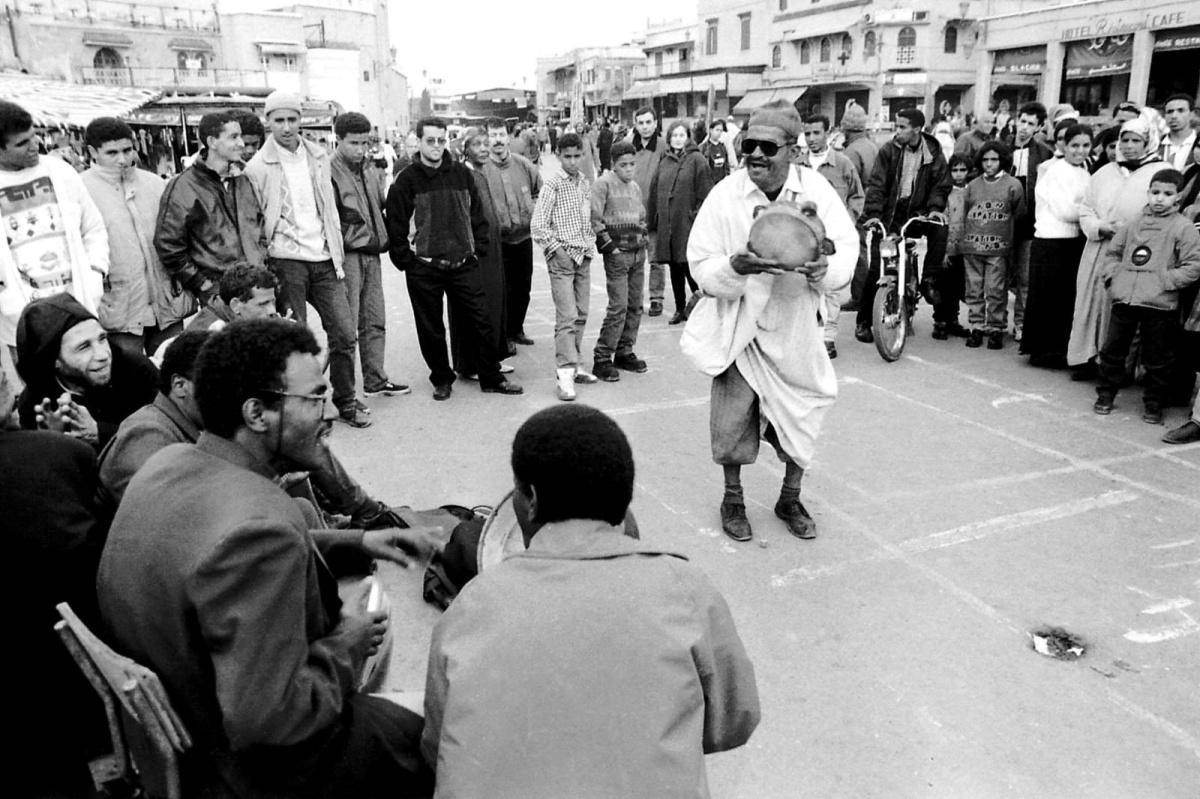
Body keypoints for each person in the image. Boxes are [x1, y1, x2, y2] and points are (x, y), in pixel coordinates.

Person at [96, 319, 434, 798]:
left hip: (190, 726)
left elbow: (210, 552)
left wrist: (356, 541)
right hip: (254, 771)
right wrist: (349, 642)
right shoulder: (259, 531)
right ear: (257, 413)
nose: (330, 411)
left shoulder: (169, 464)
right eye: (315, 397)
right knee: (445, 737)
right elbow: (271, 719)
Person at [422, 404, 760, 797]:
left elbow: (437, 747)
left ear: (529, 498)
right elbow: (736, 719)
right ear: (624, 499)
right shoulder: (685, 590)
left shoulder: (472, 605)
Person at [683, 100, 858, 542]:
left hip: (797, 322)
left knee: (806, 407)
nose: (755, 155)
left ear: (793, 150)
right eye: (748, 145)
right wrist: (735, 268)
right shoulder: (726, 195)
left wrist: (825, 272)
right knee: (732, 419)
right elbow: (700, 262)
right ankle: (734, 499)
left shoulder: (816, 191)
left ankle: (789, 496)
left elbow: (846, 250)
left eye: (767, 146)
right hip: (740, 323)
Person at [245, 91, 370, 428]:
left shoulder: (318, 157)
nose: (286, 127)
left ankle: (346, 401)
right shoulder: (256, 167)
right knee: (295, 342)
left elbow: (328, 208)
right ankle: (304, 410)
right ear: (267, 122)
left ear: (301, 120)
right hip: (286, 263)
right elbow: (255, 220)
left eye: (292, 119)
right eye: (279, 120)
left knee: (344, 334)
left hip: (325, 258)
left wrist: (336, 250)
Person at [386, 116, 522, 401]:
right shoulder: (406, 181)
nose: (436, 146)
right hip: (425, 268)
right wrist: (407, 262)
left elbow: (478, 217)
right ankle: (442, 379)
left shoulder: (462, 174)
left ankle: (490, 376)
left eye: (440, 140)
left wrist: (478, 250)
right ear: (420, 141)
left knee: (481, 321)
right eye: (430, 140)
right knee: (431, 328)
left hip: (463, 265)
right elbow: (396, 225)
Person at [0, 100, 108, 368]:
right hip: (22, 320)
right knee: (41, 395)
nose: (35, 144)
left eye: (34, 135)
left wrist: (96, 275)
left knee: (90, 381)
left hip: (78, 307)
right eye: (22, 143)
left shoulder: (60, 172)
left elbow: (93, 228)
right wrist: (8, 303)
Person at [81, 117, 192, 363]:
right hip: (118, 305)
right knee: (126, 378)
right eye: (112, 152)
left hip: (166, 300)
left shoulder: (154, 184)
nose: (122, 159)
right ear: (92, 152)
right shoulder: (81, 190)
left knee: (174, 366)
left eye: (127, 150)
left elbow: (177, 236)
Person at [1093, 169, 1200, 423]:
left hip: (1159, 304)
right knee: (1113, 351)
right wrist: (1114, 279)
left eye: (1167, 194)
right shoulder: (1133, 224)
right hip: (1125, 299)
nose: (1159, 199)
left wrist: (1165, 281)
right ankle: (1106, 394)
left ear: (1178, 197)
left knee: (1158, 358)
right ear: (1148, 193)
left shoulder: (1183, 228)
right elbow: (1113, 254)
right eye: (1155, 192)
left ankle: (1154, 404)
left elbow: (1193, 265)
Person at [1068, 114, 1166, 376]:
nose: (1129, 146)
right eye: (1125, 140)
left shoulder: (1159, 173)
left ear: (1148, 142)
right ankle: (1087, 357)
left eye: (1136, 140)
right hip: (1099, 248)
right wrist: (1100, 226)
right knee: (1091, 303)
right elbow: (1086, 208)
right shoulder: (1105, 172)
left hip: (1134, 253)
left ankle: (1116, 366)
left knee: (1122, 310)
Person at [858, 108, 955, 343]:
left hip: (918, 213)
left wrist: (934, 209)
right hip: (890, 215)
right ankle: (863, 322)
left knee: (940, 226)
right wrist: (873, 215)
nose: (897, 131)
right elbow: (877, 185)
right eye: (897, 126)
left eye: (902, 127)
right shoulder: (888, 150)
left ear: (917, 129)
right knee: (877, 269)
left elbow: (941, 184)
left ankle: (929, 278)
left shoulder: (932, 151)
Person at [331, 111, 410, 398]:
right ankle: (346, 392)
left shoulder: (369, 169)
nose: (361, 149)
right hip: (347, 256)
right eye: (354, 143)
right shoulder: (328, 171)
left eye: (365, 143)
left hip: (373, 253)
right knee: (346, 327)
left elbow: (380, 205)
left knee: (375, 319)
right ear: (337, 139)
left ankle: (375, 380)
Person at [15, 293, 157, 450]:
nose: (103, 355)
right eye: (84, 347)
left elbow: (165, 437)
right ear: (54, 361)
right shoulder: (38, 403)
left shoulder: (136, 371)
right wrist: (52, 442)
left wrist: (100, 433)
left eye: (102, 339)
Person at [154, 111, 267, 307]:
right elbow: (168, 246)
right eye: (234, 137)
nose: (241, 143)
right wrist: (203, 285)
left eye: (240, 136)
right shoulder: (183, 187)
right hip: (220, 294)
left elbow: (260, 226)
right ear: (212, 141)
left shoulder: (244, 178)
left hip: (257, 287)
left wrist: (265, 267)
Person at [1021, 124, 1093, 368]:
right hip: (1052, 240)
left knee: (1064, 298)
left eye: (1085, 146)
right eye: (1075, 145)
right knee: (1047, 297)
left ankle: (1059, 348)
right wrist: (1091, 213)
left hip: (1073, 241)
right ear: (1064, 145)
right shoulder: (1055, 170)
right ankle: (1042, 351)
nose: (1080, 151)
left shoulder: (1085, 170)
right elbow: (1066, 210)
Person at [532, 132, 597, 401]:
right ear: (558, 156)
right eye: (567, 157)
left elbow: (585, 217)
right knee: (567, 316)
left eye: (577, 156)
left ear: (583, 155)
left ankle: (576, 361)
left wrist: (589, 243)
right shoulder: (552, 185)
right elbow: (537, 225)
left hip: (583, 254)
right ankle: (565, 374)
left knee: (581, 312)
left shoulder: (583, 182)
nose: (572, 161)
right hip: (562, 258)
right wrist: (556, 251)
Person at [799, 113, 864, 358]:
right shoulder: (798, 165)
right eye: (807, 134)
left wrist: (846, 225)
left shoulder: (843, 164)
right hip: (805, 235)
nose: (812, 139)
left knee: (832, 287)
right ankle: (809, 334)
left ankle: (828, 337)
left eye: (817, 133)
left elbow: (857, 196)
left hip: (833, 237)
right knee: (808, 284)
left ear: (828, 133)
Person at [451, 127, 509, 380]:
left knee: (494, 303)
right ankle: (472, 364)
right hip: (475, 251)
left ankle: (491, 359)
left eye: (486, 143)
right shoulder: (463, 174)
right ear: (466, 149)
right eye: (477, 144)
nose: (484, 148)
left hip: (492, 249)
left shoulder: (484, 172)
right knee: (476, 307)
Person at [481, 117, 542, 351]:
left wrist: (533, 210)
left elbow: (540, 192)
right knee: (501, 291)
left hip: (523, 238)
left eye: (500, 134)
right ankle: (503, 335)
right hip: (497, 242)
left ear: (508, 136)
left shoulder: (524, 164)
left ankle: (517, 329)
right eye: (492, 135)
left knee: (522, 287)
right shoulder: (481, 169)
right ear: (486, 138)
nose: (497, 140)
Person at [591, 140, 648, 382]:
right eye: (623, 165)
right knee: (619, 306)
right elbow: (594, 218)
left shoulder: (635, 187)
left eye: (632, 164)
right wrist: (610, 247)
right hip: (617, 256)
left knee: (636, 305)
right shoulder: (603, 184)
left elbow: (642, 216)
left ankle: (625, 351)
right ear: (613, 165)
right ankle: (602, 357)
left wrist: (643, 238)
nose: (629, 169)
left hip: (637, 254)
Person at [959, 141, 1026, 350]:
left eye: (994, 159)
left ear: (1002, 161)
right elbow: (965, 212)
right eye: (985, 159)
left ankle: (996, 327)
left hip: (998, 246)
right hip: (973, 246)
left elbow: (1019, 213)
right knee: (974, 288)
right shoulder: (972, 185)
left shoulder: (1013, 185)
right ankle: (976, 326)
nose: (989, 164)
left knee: (995, 289)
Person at [648, 121, 713, 325]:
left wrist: (694, 217)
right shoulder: (664, 160)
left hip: (687, 224)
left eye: (681, 135)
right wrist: (652, 220)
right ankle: (679, 308)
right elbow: (654, 190)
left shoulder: (697, 160)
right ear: (669, 138)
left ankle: (703, 303)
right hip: (668, 224)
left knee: (687, 265)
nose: (678, 139)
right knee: (674, 266)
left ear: (688, 137)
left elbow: (706, 194)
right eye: (674, 135)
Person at [1006, 103, 1056, 342]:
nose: (1024, 128)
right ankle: (991, 322)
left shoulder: (1044, 153)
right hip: (1000, 223)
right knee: (997, 276)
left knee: (1025, 278)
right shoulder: (1002, 148)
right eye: (1022, 121)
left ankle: (1021, 323)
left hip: (1029, 225)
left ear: (1038, 127)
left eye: (1030, 124)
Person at [627, 107, 667, 317]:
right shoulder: (627, 146)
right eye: (640, 123)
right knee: (634, 261)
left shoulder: (662, 146)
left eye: (648, 122)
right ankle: (635, 301)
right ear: (636, 124)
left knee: (656, 259)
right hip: (631, 212)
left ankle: (656, 298)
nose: (644, 127)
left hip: (655, 210)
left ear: (655, 123)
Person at [1160, 94, 1197, 172]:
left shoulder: (1197, 144)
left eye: (1180, 111)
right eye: (1169, 112)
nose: (1174, 116)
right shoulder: (1156, 143)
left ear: (1192, 114)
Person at [700, 118, 731, 184]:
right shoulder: (704, 147)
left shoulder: (722, 147)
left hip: (721, 183)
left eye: (721, 131)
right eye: (717, 130)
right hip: (709, 182)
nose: (719, 133)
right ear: (711, 130)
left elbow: (727, 165)